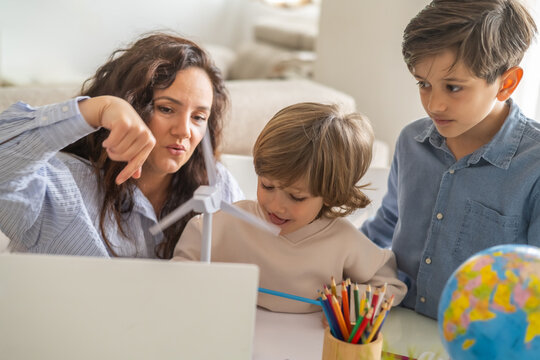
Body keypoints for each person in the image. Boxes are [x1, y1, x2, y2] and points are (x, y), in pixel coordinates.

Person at [361, 0, 539, 319]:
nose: (435, 105)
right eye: (423, 84)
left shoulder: (534, 166)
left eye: (454, 88)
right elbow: (386, 225)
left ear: (506, 83)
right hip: (399, 328)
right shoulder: (410, 142)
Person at [0, 33, 243, 259]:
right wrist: (97, 109)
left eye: (198, 117)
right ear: (133, 104)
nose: (184, 131)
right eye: (166, 109)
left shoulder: (216, 186)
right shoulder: (60, 183)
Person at [173, 102, 407, 313]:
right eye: (267, 186)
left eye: (296, 197)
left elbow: (392, 285)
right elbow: (181, 266)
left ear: (329, 195)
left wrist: (358, 303)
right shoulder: (229, 222)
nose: (276, 206)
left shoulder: (343, 240)